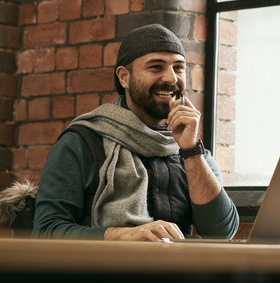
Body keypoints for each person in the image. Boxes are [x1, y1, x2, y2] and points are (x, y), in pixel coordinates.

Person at [33, 24, 239, 241]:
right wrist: (122, 235)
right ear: (124, 77)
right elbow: (46, 231)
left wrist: (191, 152)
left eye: (178, 68)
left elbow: (222, 234)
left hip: (179, 272)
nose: (171, 78)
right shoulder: (80, 142)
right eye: (156, 67)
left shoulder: (192, 151)